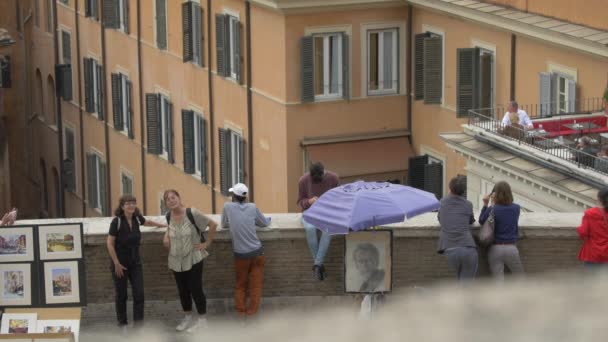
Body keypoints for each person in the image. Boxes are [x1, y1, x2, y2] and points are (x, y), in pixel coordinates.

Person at [106, 195, 166, 329]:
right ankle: (122, 324)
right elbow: (110, 243)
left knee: (139, 294)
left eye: (133, 203)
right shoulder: (117, 222)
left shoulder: (137, 218)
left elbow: (147, 223)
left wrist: (163, 225)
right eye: (128, 203)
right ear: (122, 206)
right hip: (119, 264)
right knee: (121, 295)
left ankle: (138, 326)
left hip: (135, 263)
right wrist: (116, 263)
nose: (131, 206)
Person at [162, 189, 218, 333]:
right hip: (175, 259)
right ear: (166, 203)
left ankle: (202, 320)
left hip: (194, 257)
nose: (171, 200)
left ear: (179, 198)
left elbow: (213, 225)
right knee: (182, 290)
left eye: (173, 197)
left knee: (196, 289)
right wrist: (166, 235)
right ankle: (187, 318)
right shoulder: (168, 216)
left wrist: (207, 243)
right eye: (168, 199)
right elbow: (170, 228)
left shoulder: (192, 213)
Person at [221, 183, 270, 317]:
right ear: (245, 197)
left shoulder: (227, 207)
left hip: (241, 255)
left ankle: (241, 314)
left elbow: (224, 224)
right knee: (256, 286)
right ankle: (252, 313)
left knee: (240, 285)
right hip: (257, 252)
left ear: (233, 196)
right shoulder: (253, 207)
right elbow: (264, 223)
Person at [297, 162, 340, 281]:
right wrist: (309, 201)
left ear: (323, 173)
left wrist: (327, 202)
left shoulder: (333, 178)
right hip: (309, 212)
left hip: (327, 213)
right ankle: (319, 266)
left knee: (328, 231)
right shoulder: (303, 180)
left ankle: (317, 265)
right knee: (310, 229)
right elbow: (300, 202)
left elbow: (339, 199)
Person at [479, 181, 524, 282]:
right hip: (511, 248)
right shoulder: (516, 208)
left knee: (498, 282)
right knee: (520, 279)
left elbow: (481, 220)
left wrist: (486, 204)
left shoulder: (492, 209)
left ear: (495, 194)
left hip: (495, 248)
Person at [437, 175, 478, 282]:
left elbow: (441, 219)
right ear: (463, 191)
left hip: (450, 249)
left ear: (450, 189)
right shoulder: (468, 204)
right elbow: (471, 220)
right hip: (468, 248)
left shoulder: (442, 202)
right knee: (466, 286)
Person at [577, 188, 608, 268]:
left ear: (599, 199)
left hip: (593, 253)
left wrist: (579, 228)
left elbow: (583, 233)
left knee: (592, 279)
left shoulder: (591, 213)